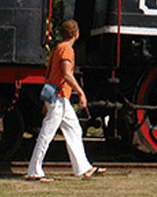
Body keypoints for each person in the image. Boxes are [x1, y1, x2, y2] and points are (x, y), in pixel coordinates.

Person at [26, 20, 103, 182]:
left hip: (57, 97)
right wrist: (81, 93)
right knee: (46, 134)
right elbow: (67, 74)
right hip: (59, 98)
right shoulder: (67, 50)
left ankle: (84, 168)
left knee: (74, 129)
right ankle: (34, 171)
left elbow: (50, 73)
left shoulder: (57, 48)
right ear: (76, 34)